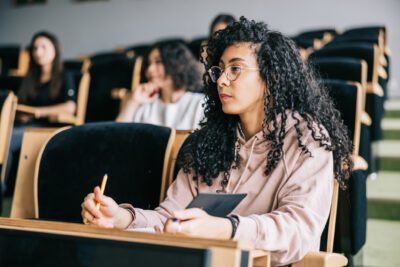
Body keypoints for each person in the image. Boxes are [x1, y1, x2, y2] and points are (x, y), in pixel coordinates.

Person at [81, 17, 352, 266]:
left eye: (236, 69)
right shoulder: (207, 141)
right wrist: (122, 218)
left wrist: (226, 229)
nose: (221, 80)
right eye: (219, 70)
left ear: (272, 77)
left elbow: (298, 231)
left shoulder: (306, 140)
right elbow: (170, 218)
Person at [3, 31, 76, 195]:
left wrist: (39, 112)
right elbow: (21, 104)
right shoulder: (30, 77)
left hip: (48, 126)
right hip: (25, 126)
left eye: (43, 47)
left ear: (55, 50)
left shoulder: (64, 75)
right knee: (4, 138)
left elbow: (70, 106)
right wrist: (22, 114)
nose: (38, 52)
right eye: (35, 48)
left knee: (5, 140)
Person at [116, 41, 204, 130]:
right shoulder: (145, 107)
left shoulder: (200, 104)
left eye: (158, 62)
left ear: (178, 64)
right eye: (148, 64)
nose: (149, 69)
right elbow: (118, 135)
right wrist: (133, 101)